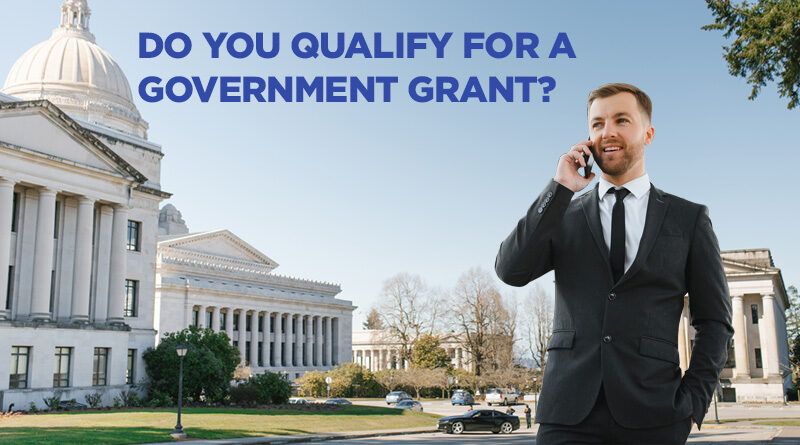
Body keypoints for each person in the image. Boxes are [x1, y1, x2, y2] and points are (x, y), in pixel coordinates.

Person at [494, 83, 733, 444]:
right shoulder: (563, 214)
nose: (608, 132)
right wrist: (559, 188)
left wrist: (692, 402)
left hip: (656, 414)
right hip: (567, 415)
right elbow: (510, 271)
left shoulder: (689, 219)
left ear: (648, 134)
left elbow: (715, 321)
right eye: (597, 124)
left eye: (622, 120)